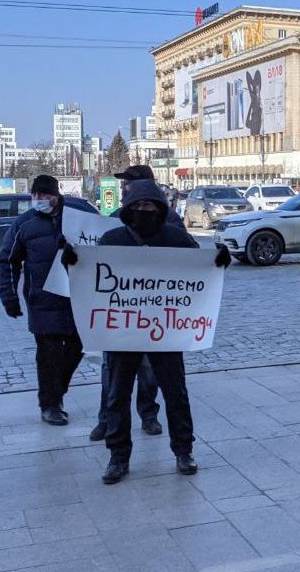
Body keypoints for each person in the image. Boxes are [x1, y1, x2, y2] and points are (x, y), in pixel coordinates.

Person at [87, 179, 229, 484]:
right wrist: (73, 261)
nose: (142, 210)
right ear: (127, 209)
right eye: (136, 205)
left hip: (166, 330)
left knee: (175, 393)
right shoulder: (112, 240)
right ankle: (118, 456)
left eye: (148, 205)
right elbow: (94, 276)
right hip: (123, 331)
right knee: (117, 395)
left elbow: (199, 272)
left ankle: (183, 451)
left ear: (160, 208)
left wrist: (219, 261)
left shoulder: (177, 239)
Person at [88, 165, 178, 443]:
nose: (123, 186)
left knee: (149, 370)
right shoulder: (116, 218)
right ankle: (107, 419)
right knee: (111, 372)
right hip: (119, 311)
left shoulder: (171, 220)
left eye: (128, 182)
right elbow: (97, 260)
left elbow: (190, 261)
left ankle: (148, 415)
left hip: (156, 311)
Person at [0, 175, 83, 427]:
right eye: (36, 195)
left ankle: (58, 392)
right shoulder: (24, 224)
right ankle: (50, 405)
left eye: (46, 195)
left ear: (56, 196)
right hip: (42, 300)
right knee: (48, 355)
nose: (40, 200)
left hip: (77, 299)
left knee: (77, 348)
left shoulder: (75, 220)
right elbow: (7, 260)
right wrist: (9, 296)